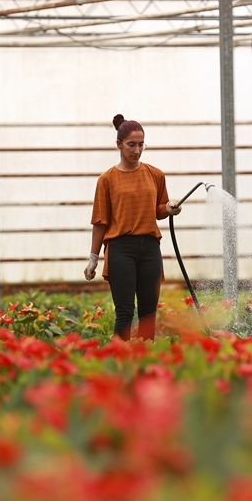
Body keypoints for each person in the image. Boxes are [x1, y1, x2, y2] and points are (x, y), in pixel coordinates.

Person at [85, 114, 183, 341]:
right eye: (131, 145)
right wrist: (93, 258)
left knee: (149, 313)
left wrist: (168, 208)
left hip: (149, 248)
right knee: (125, 312)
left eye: (141, 145)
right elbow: (100, 221)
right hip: (121, 249)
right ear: (119, 145)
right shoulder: (107, 180)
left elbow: (157, 210)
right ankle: (120, 360)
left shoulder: (155, 175)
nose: (137, 151)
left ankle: (146, 359)